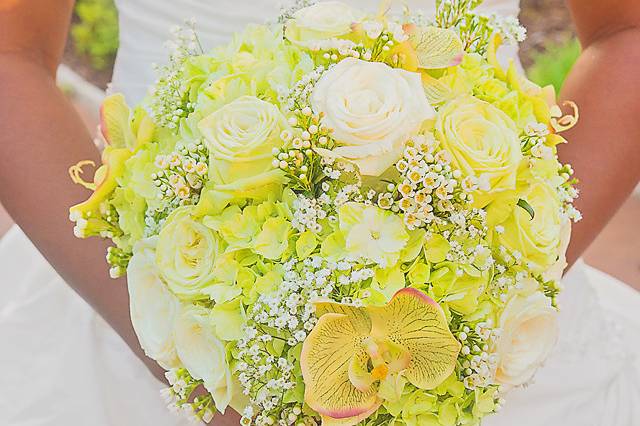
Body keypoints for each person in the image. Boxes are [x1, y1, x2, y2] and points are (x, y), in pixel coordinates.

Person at [0, 0, 638, 425]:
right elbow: (10, 52)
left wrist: (503, 290)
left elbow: (627, 30)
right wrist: (189, 354)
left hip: (487, 334)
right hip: (140, 314)